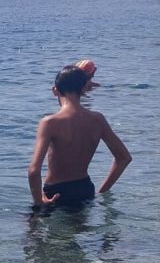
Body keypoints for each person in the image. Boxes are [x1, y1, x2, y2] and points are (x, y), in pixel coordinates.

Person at [27, 65, 131, 209]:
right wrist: (102, 191)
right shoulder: (98, 119)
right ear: (83, 89)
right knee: (79, 224)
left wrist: (39, 201)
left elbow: (33, 171)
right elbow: (124, 158)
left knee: (32, 222)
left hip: (56, 192)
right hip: (85, 189)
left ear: (55, 90)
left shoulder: (49, 123)